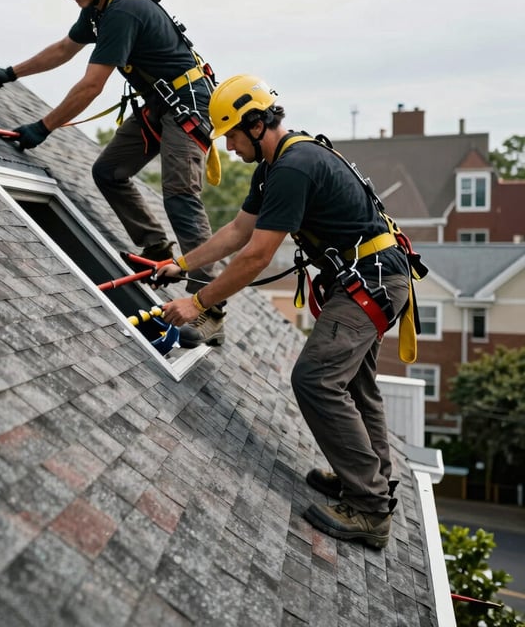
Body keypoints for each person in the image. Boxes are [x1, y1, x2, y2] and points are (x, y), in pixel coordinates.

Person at [155, 75, 414, 549]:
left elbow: (255, 256)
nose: (228, 146)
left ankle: (370, 507)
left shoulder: (294, 166)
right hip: (371, 280)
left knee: (316, 379)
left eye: (232, 134)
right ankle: (365, 478)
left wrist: (197, 302)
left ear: (257, 125)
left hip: (371, 282)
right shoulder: (275, 167)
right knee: (354, 384)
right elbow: (238, 231)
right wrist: (183, 264)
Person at [0, 0, 224, 348]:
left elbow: (91, 85)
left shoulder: (123, 10)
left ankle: (209, 308)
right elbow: (64, 49)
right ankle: (157, 252)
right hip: (160, 102)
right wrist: (10, 72)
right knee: (108, 171)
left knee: (180, 197)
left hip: (187, 105)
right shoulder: (96, 11)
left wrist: (43, 126)